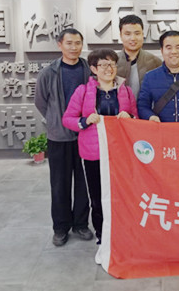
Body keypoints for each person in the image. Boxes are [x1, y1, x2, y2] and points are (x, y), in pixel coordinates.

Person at [62, 49, 138, 249]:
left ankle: (121, 230)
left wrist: (130, 117)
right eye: (103, 65)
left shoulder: (126, 91)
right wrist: (85, 120)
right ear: (94, 69)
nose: (108, 68)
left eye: (112, 64)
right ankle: (102, 232)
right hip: (93, 153)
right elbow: (67, 119)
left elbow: (137, 118)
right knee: (97, 195)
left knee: (121, 194)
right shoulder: (83, 91)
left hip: (120, 153)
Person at [34, 28, 94, 247]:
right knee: (59, 185)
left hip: (85, 136)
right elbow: (41, 102)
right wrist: (55, 120)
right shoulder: (49, 72)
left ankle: (80, 224)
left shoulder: (89, 69)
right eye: (69, 43)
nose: (74, 47)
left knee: (83, 183)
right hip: (59, 138)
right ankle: (60, 228)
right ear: (60, 45)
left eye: (78, 43)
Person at [138, 30, 179, 122]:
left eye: (178, 47)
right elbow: (142, 106)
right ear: (162, 51)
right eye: (168, 48)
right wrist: (151, 116)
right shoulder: (150, 77)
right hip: (161, 129)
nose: (173, 52)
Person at [116, 14, 162, 98]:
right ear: (121, 36)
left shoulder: (155, 62)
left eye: (137, 33)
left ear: (142, 35)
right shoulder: (112, 62)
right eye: (128, 34)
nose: (133, 38)